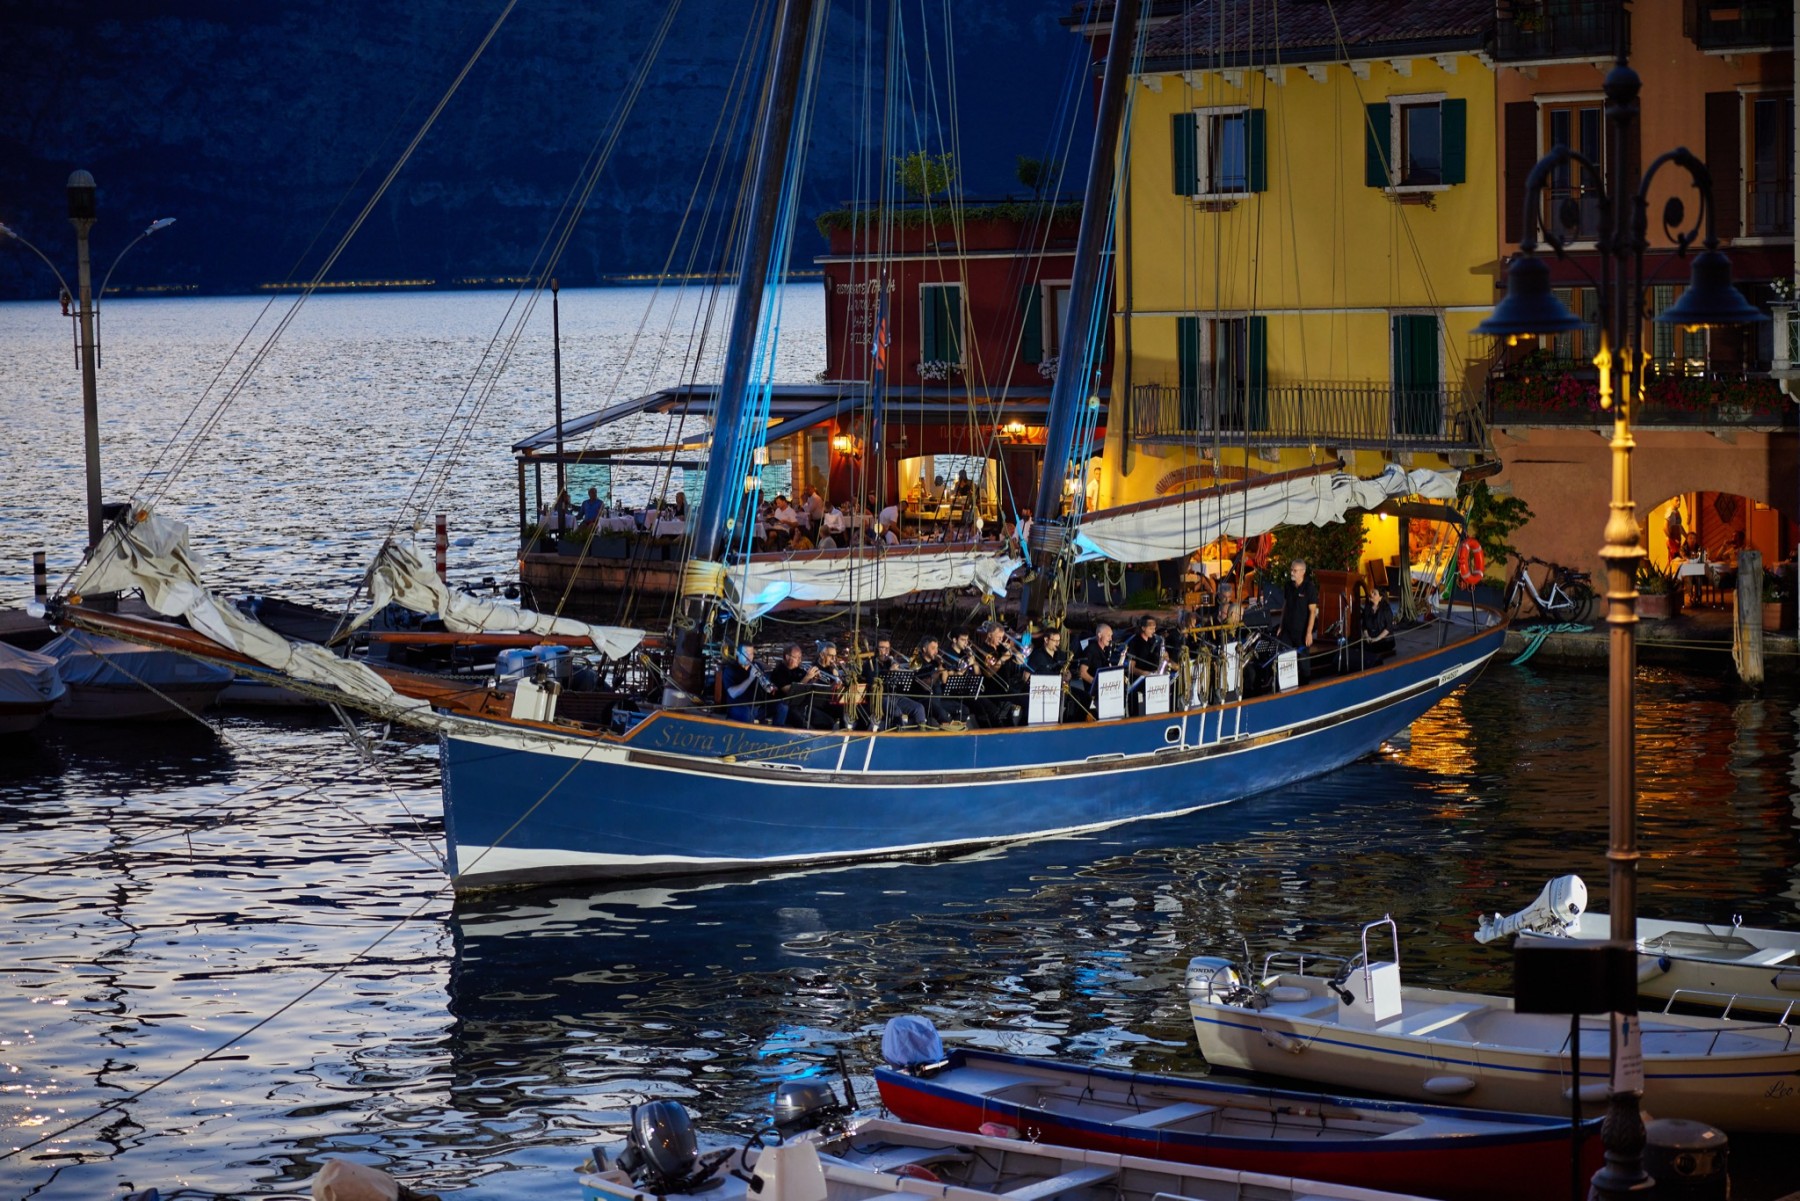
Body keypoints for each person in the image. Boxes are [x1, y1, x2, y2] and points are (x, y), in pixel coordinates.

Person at [863, 635, 925, 729]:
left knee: (919, 708)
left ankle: (921, 733)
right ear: (876, 649)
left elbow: (901, 684)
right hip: (879, 697)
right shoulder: (870, 664)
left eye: (887, 648)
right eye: (882, 648)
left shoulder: (890, 662)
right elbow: (873, 684)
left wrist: (900, 673)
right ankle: (900, 734)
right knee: (896, 710)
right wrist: (889, 673)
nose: (885, 652)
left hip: (894, 695)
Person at [1279, 558, 1320, 683]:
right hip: (1287, 628)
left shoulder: (1309, 588)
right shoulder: (1288, 586)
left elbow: (1312, 611)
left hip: (1301, 631)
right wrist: (1281, 626)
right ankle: (1286, 684)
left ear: (1302, 572)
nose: (1292, 572)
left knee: (1303, 661)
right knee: (1284, 657)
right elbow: (1285, 606)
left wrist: (1309, 633)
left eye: (1295, 570)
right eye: (1291, 570)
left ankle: (1305, 684)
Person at [1072, 622, 1122, 719]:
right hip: (1094, 694)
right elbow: (1082, 672)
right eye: (1108, 636)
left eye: (1111, 636)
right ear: (1099, 635)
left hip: (1106, 692)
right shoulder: (1091, 649)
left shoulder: (1106, 650)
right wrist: (1097, 684)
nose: (1111, 639)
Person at [1124, 614, 1168, 714]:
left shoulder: (1155, 640)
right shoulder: (1135, 642)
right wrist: (1144, 673)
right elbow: (1131, 668)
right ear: (1143, 628)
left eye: (1155, 628)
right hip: (1139, 679)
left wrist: (1165, 657)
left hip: (1154, 676)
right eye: (1151, 628)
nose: (1154, 631)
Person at [721, 643, 772, 723]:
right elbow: (733, 694)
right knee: (747, 714)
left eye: (751, 654)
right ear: (738, 653)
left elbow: (765, 686)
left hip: (757, 706)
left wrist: (768, 686)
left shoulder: (757, 666)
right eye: (746, 653)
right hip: (738, 706)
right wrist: (750, 678)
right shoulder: (730, 669)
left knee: (781, 707)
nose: (749, 657)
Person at [1354, 581, 1395, 670]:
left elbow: (1388, 628)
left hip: (1384, 640)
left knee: (1372, 649)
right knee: (1356, 647)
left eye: (1374, 593)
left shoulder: (1386, 609)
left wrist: (1377, 639)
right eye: (1372, 592)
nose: (1371, 594)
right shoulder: (1368, 607)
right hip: (1371, 638)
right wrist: (1367, 636)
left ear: (1380, 597)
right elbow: (1364, 625)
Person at [766, 643, 808, 727]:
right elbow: (789, 691)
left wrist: (813, 678)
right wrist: (807, 677)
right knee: (799, 720)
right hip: (780, 704)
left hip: (795, 704)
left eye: (800, 657)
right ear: (787, 657)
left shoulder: (799, 670)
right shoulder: (779, 671)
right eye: (796, 657)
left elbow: (808, 686)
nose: (799, 660)